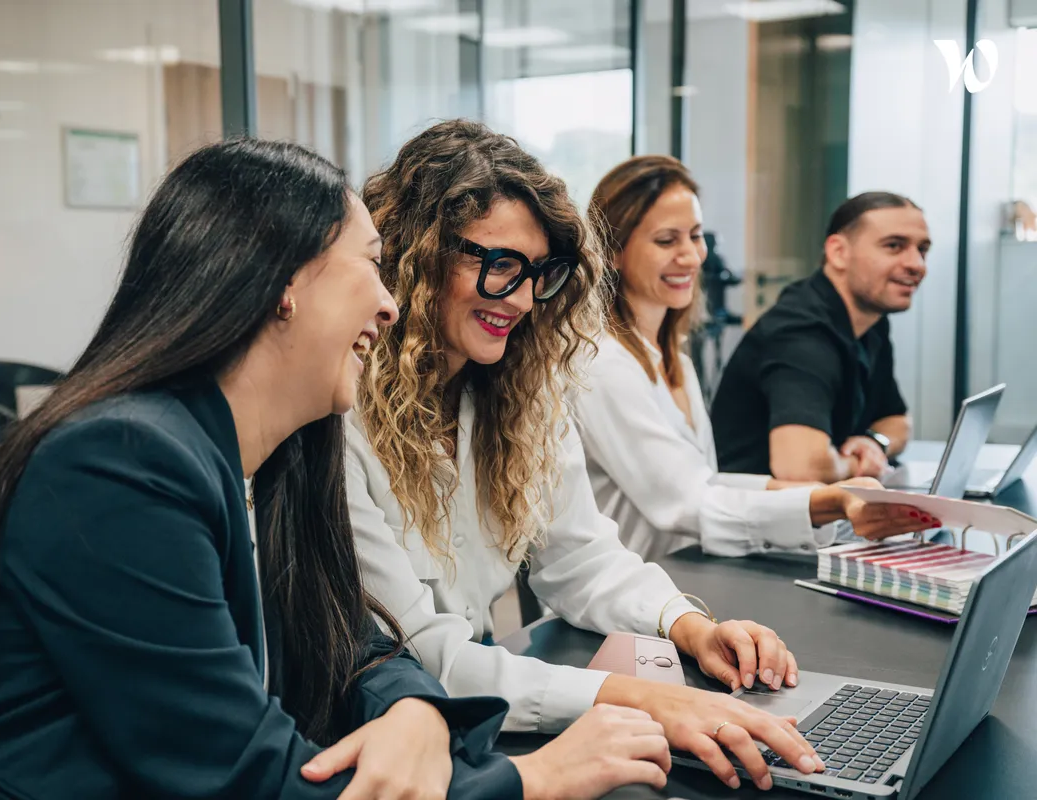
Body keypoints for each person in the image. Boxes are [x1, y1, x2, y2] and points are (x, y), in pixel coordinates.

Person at [0, 139, 667, 800]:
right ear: (283, 285)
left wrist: (415, 709)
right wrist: (533, 779)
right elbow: (245, 777)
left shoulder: (283, 448)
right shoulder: (119, 465)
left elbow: (355, 642)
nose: (389, 302)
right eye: (370, 264)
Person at [347, 119, 827, 794]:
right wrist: (644, 699)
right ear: (416, 257)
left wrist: (690, 627)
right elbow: (425, 654)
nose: (521, 299)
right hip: (388, 746)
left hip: (485, 713)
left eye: (536, 273)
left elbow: (581, 558)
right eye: (499, 264)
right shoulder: (342, 416)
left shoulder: (519, 392)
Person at [576, 156, 936, 562]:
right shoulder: (603, 364)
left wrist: (834, 495)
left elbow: (707, 482)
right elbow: (688, 503)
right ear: (612, 252)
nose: (692, 256)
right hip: (638, 582)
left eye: (695, 236)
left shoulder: (674, 358)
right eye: (666, 241)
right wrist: (831, 501)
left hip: (685, 568)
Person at [711, 192, 928, 483]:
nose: (916, 264)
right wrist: (860, 464)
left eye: (922, 249)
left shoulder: (870, 321)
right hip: (759, 509)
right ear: (838, 252)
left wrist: (874, 443)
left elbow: (898, 421)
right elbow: (801, 468)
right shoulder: (800, 333)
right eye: (894, 246)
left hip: (821, 505)